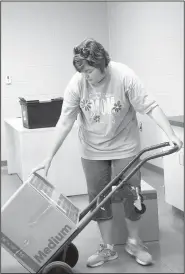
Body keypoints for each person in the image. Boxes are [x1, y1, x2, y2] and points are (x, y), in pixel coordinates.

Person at [32, 38, 183, 268]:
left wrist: (171, 134)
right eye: (82, 71)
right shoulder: (77, 83)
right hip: (92, 149)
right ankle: (108, 248)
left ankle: (134, 242)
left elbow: (150, 106)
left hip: (125, 146)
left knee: (133, 194)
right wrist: (48, 156)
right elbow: (64, 121)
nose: (86, 76)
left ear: (102, 64)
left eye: (90, 70)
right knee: (98, 199)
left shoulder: (124, 76)